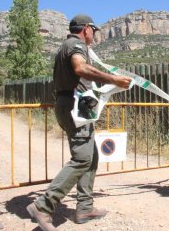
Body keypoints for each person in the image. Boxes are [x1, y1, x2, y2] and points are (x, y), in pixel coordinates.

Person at [27, 14, 132, 231]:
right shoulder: (76, 45)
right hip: (75, 107)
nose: (94, 34)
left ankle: (85, 207)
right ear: (86, 29)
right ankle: (44, 205)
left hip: (74, 105)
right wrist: (114, 79)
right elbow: (80, 68)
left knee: (91, 156)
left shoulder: (66, 45)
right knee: (83, 158)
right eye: (93, 30)